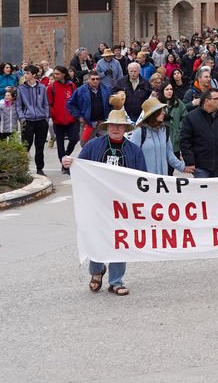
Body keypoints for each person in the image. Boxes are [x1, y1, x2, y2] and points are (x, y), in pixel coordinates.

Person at [62, 104, 146, 297]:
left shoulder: (134, 151)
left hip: (122, 205)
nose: (116, 128)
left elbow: (143, 178)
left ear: (125, 129)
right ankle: (96, 270)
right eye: (112, 125)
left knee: (119, 240)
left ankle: (116, 281)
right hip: (97, 203)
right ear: (107, 127)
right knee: (97, 237)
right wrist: (68, 163)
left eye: (120, 125)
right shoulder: (93, 146)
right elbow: (78, 166)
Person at [179, 89, 218, 179]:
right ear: (207, 101)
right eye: (217, 98)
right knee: (202, 192)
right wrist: (190, 162)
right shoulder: (191, 117)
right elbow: (185, 141)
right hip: (200, 166)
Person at [127, 97, 189, 176]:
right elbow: (132, 157)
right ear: (153, 114)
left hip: (162, 181)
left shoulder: (164, 131)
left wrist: (183, 167)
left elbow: (169, 154)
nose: (164, 113)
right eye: (160, 110)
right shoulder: (139, 132)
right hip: (145, 182)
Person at [17, 65, 51, 176]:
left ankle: (40, 169)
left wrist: (46, 117)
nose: (25, 75)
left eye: (27, 73)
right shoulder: (21, 88)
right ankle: (23, 169)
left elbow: (46, 104)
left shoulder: (41, 87)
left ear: (34, 75)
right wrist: (22, 119)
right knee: (26, 146)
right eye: (24, 73)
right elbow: (18, 105)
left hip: (41, 120)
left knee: (40, 146)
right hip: (28, 120)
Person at [47, 66, 79, 172]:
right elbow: (49, 104)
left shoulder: (72, 86)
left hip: (71, 120)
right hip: (58, 121)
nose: (55, 76)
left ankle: (65, 156)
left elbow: (75, 101)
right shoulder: (51, 87)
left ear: (63, 74)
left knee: (74, 139)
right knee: (60, 144)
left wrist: (75, 114)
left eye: (57, 74)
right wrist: (54, 115)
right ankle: (64, 165)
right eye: (54, 74)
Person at [67, 72, 111, 145]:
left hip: (103, 122)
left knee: (106, 144)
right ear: (88, 80)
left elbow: (111, 104)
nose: (95, 81)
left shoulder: (107, 89)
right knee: (85, 145)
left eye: (97, 79)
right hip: (88, 122)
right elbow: (70, 104)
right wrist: (79, 116)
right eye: (93, 79)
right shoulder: (80, 90)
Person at [160, 81, 187, 156]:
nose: (169, 91)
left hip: (175, 140)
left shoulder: (178, 103)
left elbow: (185, 118)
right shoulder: (157, 103)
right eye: (167, 89)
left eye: (171, 89)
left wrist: (179, 130)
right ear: (162, 91)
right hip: (161, 139)